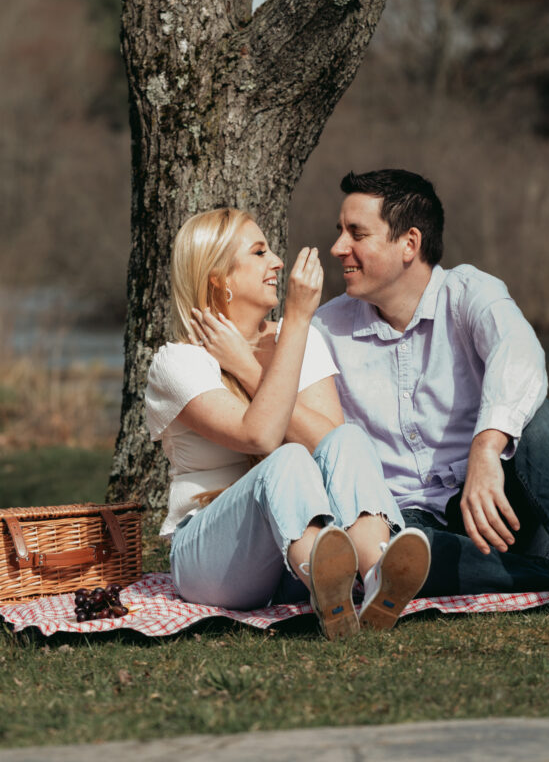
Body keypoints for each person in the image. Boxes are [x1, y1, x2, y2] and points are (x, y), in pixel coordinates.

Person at [312, 169, 549, 624]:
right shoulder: (325, 328)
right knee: (396, 562)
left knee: (535, 417)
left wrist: (486, 448)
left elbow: (520, 354)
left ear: (409, 244)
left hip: (504, 506)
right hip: (410, 524)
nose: (337, 249)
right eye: (339, 233)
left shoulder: (471, 292)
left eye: (356, 233)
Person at [144, 206, 431, 639]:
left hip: (288, 558)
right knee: (286, 458)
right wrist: (296, 319)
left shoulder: (299, 339)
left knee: (346, 438)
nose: (278, 261)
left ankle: (376, 579)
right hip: (212, 559)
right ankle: (324, 582)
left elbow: (331, 445)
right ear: (219, 279)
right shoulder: (177, 362)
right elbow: (258, 435)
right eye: (259, 252)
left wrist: (253, 360)